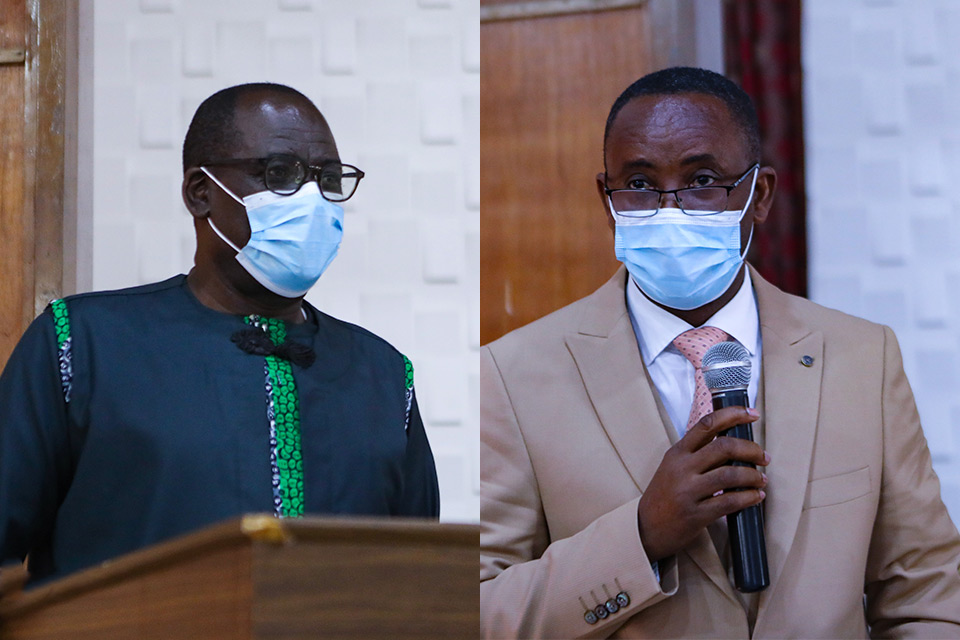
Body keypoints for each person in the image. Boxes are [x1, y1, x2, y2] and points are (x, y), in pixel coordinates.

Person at [480, 67, 960, 638]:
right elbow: (481, 609)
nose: (669, 209)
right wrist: (640, 536)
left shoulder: (863, 356)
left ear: (758, 195)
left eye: (702, 178)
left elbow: (925, 593)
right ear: (606, 200)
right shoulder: (510, 374)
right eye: (637, 183)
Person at [0, 83, 439, 585]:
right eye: (280, 174)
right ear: (200, 193)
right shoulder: (80, 343)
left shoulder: (383, 376)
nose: (314, 201)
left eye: (328, 180)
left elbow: (419, 581)